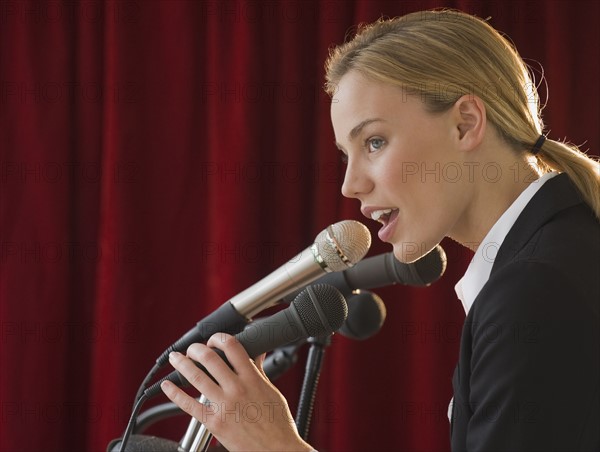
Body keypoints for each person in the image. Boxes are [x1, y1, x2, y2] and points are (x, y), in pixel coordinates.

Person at [160, 9, 600, 451]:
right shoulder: (557, 255)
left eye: (374, 142)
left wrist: (276, 445)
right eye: (345, 154)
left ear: (465, 123)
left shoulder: (535, 287)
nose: (351, 185)